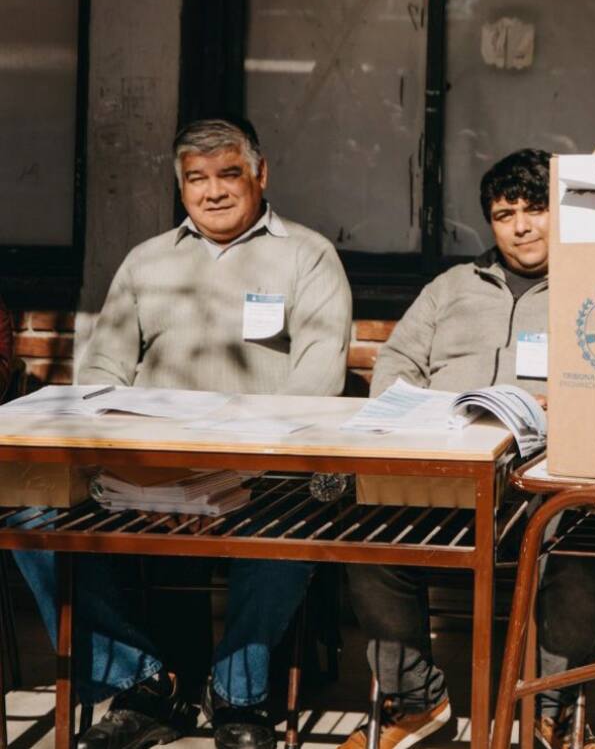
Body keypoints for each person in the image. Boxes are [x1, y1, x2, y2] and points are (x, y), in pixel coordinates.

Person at [13, 117, 352, 749]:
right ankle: (146, 682)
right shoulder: (146, 261)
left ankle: (238, 697)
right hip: (146, 472)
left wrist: (220, 477)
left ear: (260, 174)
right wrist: (155, 479)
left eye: (229, 173)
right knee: (30, 518)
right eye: (196, 178)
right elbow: (102, 376)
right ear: (180, 186)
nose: (213, 191)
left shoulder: (309, 256)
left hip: (263, 476)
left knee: (295, 526)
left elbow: (317, 383)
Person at [343, 149, 595, 749]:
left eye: (536, 209)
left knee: (587, 551)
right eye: (504, 212)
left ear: (560, 212)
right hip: (448, 478)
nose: (521, 226)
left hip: (548, 483)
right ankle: (417, 705)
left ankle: (552, 711)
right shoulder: (451, 288)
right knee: (368, 541)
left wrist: (570, 408)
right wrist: (414, 412)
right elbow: (396, 364)